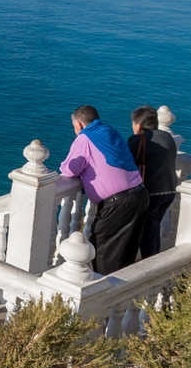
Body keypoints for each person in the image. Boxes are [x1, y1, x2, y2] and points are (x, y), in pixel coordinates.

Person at [60, 104, 149, 274]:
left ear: (78, 124)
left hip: (118, 203)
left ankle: (104, 292)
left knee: (102, 248)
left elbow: (68, 170)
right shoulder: (110, 131)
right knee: (126, 251)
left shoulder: (85, 138)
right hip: (139, 194)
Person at [128, 106, 179, 260]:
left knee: (144, 229)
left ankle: (149, 262)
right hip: (169, 190)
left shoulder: (136, 140)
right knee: (153, 226)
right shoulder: (168, 137)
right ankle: (151, 257)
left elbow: (126, 164)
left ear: (137, 124)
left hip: (150, 192)